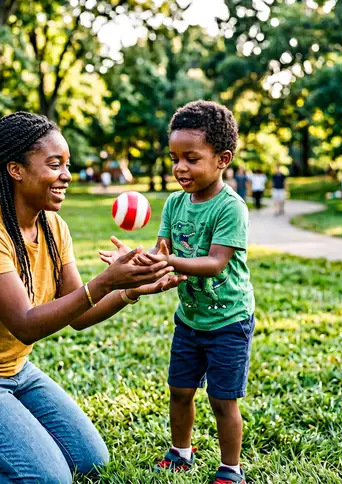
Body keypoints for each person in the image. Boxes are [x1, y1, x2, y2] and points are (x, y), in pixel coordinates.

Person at [0, 112, 185, 484]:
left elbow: (79, 313)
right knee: (49, 480)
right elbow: (25, 324)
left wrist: (128, 289)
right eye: (55, 164)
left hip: (14, 370)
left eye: (66, 164)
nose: (67, 175)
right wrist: (105, 281)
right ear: (16, 170)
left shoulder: (53, 226)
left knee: (91, 461)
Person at [100, 100, 254, 484]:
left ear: (222, 159)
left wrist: (168, 264)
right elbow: (163, 251)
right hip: (189, 319)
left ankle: (230, 469)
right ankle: (181, 452)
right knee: (180, 390)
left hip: (228, 320)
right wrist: (139, 259)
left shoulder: (230, 208)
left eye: (191, 158)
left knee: (222, 400)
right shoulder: (173, 203)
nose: (180, 168)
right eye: (174, 158)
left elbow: (215, 262)